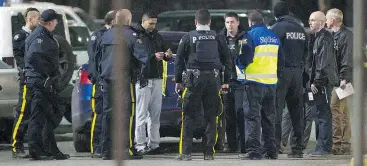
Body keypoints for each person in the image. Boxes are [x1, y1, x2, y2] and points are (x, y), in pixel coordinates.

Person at [174, 9, 232, 161]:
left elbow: (179, 60)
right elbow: (227, 60)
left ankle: (186, 153)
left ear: (195, 21)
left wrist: (179, 81)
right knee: (211, 117)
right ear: (210, 22)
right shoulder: (218, 37)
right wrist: (225, 81)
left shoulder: (188, 37)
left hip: (194, 81)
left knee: (188, 116)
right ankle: (209, 153)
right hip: (213, 80)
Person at [99, 9, 148, 160]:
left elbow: (96, 58)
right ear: (128, 20)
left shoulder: (105, 35)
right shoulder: (131, 35)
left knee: (108, 114)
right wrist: (141, 75)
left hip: (107, 80)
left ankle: (106, 150)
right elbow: (142, 57)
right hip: (123, 80)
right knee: (127, 114)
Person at [236, 10, 283, 160]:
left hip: (254, 82)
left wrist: (238, 64)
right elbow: (281, 60)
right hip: (271, 83)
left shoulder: (249, 36)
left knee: (252, 117)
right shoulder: (274, 36)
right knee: (269, 117)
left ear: (250, 22)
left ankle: (255, 151)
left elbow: (245, 58)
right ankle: (271, 150)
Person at [24, 9, 70, 160]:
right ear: (50, 22)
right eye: (56, 21)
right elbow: (35, 58)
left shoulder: (42, 35)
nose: (57, 23)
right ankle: (36, 151)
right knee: (38, 118)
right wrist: (47, 76)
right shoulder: (40, 37)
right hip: (40, 83)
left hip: (43, 83)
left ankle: (49, 149)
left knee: (48, 116)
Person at [271, 2, 308, 158]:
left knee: (276, 112)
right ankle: (298, 148)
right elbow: (306, 52)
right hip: (298, 73)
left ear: (276, 14)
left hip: (281, 74)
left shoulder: (277, 28)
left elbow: (272, 51)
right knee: (297, 112)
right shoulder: (300, 29)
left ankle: (274, 148)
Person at [132, 11, 172, 154]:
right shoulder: (137, 36)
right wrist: (152, 57)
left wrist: (167, 55)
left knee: (155, 115)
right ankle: (140, 145)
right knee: (141, 114)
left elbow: (166, 50)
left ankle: (154, 144)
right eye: (151, 23)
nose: (153, 26)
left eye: (155, 23)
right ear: (144, 21)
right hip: (143, 78)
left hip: (157, 78)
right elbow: (136, 56)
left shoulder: (157, 36)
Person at [305, 11, 338, 157]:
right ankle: (320, 146)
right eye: (310, 20)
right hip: (318, 82)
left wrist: (317, 82)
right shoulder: (316, 38)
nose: (310, 23)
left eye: (313, 20)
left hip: (322, 83)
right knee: (318, 114)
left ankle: (324, 148)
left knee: (323, 115)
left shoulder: (325, 38)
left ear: (321, 22)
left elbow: (323, 63)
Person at [219, 12, 250, 154]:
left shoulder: (245, 37)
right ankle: (231, 144)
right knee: (228, 114)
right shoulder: (220, 39)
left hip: (241, 81)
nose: (229, 25)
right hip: (226, 81)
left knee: (240, 112)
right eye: (227, 22)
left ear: (237, 22)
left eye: (232, 22)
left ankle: (243, 144)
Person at [11, 7, 40, 159]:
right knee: (23, 113)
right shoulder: (20, 36)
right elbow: (20, 58)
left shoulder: (38, 36)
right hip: (27, 80)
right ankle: (16, 145)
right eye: (38, 18)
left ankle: (35, 146)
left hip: (38, 79)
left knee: (36, 113)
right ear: (30, 19)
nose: (39, 21)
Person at [87, 10, 116, 158]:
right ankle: (96, 146)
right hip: (100, 81)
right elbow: (93, 60)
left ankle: (105, 145)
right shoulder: (98, 36)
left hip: (109, 80)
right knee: (99, 114)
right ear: (113, 21)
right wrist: (97, 79)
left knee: (108, 115)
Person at [326, 8, 352, 155]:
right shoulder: (335, 35)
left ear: (334, 20)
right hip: (339, 78)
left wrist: (344, 78)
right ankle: (345, 144)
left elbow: (347, 58)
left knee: (335, 108)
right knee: (344, 111)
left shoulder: (346, 36)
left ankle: (337, 145)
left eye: (328, 19)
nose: (326, 22)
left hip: (343, 80)